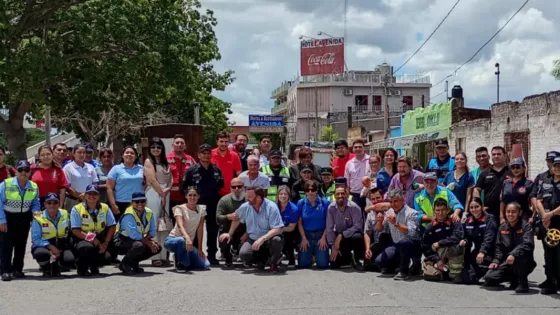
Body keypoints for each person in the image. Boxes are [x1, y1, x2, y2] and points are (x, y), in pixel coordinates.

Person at [219, 186, 285, 272]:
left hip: (268, 238)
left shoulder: (271, 207)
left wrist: (262, 239)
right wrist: (229, 234)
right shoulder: (246, 206)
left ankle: (274, 262)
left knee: (277, 240)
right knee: (243, 254)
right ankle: (262, 261)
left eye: (250, 197)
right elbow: (236, 218)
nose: (247, 199)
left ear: (258, 197)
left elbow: (278, 229)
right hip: (253, 238)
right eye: (246, 196)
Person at [182, 143, 224, 266]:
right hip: (197, 205)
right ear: (199, 155)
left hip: (213, 204)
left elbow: (220, 185)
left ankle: (212, 255)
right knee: (194, 230)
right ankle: (194, 255)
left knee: (212, 231)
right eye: (203, 153)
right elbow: (184, 187)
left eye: (208, 153)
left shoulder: (216, 170)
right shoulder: (191, 170)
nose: (206, 155)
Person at [0, 161, 41, 281]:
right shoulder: (6, 184)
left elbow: (35, 203)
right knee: (6, 245)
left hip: (24, 217)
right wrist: (2, 220)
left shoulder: (33, 186)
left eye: (26, 170)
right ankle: (5, 270)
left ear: (30, 172)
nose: (23, 172)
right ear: (16, 171)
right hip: (8, 217)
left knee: (21, 245)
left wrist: (35, 212)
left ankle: (17, 269)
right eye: (20, 169)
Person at [484, 202, 536, 294]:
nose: (510, 214)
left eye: (513, 212)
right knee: (489, 278)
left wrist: (513, 254)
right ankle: (513, 278)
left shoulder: (526, 226)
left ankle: (522, 282)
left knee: (520, 255)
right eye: (508, 212)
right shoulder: (502, 228)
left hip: (523, 261)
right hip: (507, 261)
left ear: (519, 213)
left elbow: (527, 244)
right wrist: (496, 261)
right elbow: (499, 247)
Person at [70, 185, 116, 276]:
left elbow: (112, 226)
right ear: (85, 195)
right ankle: (82, 267)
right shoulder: (77, 209)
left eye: (95, 194)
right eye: (89, 193)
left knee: (108, 256)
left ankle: (94, 265)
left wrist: (106, 243)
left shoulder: (105, 207)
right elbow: (75, 230)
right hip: (83, 237)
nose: (92, 196)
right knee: (86, 248)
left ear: (99, 196)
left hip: (100, 236)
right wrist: (93, 239)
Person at [373, 189, 419, 280]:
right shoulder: (389, 212)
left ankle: (404, 272)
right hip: (396, 244)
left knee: (404, 242)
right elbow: (379, 229)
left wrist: (395, 224)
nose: (393, 204)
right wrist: (379, 221)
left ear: (402, 199)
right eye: (391, 202)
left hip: (412, 244)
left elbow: (411, 231)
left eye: (396, 201)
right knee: (379, 262)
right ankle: (395, 266)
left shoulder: (412, 213)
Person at [114, 192, 161, 274]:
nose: (140, 204)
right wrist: (148, 243)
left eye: (142, 201)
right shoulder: (129, 214)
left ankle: (133, 262)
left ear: (146, 202)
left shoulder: (149, 212)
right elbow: (134, 235)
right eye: (137, 202)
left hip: (138, 239)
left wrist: (150, 242)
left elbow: (152, 230)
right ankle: (124, 264)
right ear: (132, 203)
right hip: (121, 241)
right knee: (139, 246)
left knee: (157, 247)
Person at [165, 187, 209, 272]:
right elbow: (180, 225)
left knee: (205, 265)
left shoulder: (201, 209)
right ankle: (180, 261)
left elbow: (200, 229)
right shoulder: (179, 208)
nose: (192, 197)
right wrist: (187, 238)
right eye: (190, 195)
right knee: (181, 240)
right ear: (186, 196)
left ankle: (183, 259)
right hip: (173, 241)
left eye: (195, 195)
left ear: (198, 196)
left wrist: (200, 249)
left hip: (188, 245)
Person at [144, 137, 173, 267]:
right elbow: (151, 180)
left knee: (164, 224)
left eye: (158, 147)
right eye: (153, 147)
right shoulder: (148, 161)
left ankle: (164, 255)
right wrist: (161, 193)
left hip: (165, 193)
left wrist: (168, 189)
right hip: (153, 193)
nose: (156, 149)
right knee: (154, 224)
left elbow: (171, 179)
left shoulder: (165, 162)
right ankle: (155, 256)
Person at [31, 193, 74, 277]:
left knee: (70, 259)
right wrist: (51, 247)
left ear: (59, 204)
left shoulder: (65, 214)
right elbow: (36, 239)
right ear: (45, 204)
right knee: (40, 253)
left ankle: (57, 266)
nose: (52, 205)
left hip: (61, 242)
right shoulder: (38, 217)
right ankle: (46, 267)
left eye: (55, 202)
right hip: (44, 245)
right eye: (49, 202)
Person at [422, 199, 465, 282]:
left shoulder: (454, 222)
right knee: (431, 276)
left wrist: (439, 243)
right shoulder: (430, 227)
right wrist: (437, 260)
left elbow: (457, 237)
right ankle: (442, 271)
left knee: (458, 246)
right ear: (434, 211)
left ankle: (454, 273)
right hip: (437, 255)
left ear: (447, 210)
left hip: (452, 252)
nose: (440, 213)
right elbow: (426, 247)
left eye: (443, 210)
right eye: (438, 210)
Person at [535, 156, 560, 295]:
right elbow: (539, 200)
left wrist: (550, 215)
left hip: (558, 221)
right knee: (548, 254)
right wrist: (544, 215)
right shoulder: (545, 181)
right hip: (546, 222)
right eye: (555, 165)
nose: (557, 168)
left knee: (558, 254)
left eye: (559, 165)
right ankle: (551, 282)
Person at [459, 197, 498, 285]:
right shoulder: (468, 221)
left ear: (482, 206)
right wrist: (465, 241)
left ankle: (490, 271)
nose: (474, 209)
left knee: (490, 280)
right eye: (471, 207)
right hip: (477, 252)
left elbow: (489, 238)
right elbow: (467, 237)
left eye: (477, 207)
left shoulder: (490, 219)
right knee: (467, 278)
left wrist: (482, 252)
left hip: (491, 252)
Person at [326, 187, 364, 270]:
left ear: (347, 194)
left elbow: (358, 226)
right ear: (334, 196)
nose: (340, 196)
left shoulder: (354, 207)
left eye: (342, 193)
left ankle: (358, 260)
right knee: (334, 265)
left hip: (351, 237)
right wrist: (334, 247)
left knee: (358, 237)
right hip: (338, 241)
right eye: (338, 194)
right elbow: (329, 228)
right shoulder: (331, 208)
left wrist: (342, 234)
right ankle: (349, 258)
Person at [297, 181, 330, 269]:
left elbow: (329, 222)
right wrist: (303, 238)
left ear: (317, 191)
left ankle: (318, 255)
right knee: (303, 264)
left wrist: (324, 238)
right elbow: (299, 223)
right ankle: (310, 256)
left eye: (313, 189)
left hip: (320, 234)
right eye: (307, 190)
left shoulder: (325, 203)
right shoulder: (301, 203)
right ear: (305, 191)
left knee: (323, 265)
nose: (310, 192)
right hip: (306, 234)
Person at [107, 146, 144, 221]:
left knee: (138, 227)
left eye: (132, 153)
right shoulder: (116, 169)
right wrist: (113, 205)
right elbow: (109, 188)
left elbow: (147, 183)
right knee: (122, 229)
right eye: (127, 152)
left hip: (138, 203)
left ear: (136, 156)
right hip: (121, 204)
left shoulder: (141, 168)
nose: (129, 154)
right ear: (123, 155)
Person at [216, 178, 247, 267]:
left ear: (243, 187)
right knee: (224, 242)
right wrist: (228, 217)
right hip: (227, 230)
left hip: (244, 231)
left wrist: (247, 233)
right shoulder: (224, 200)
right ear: (230, 188)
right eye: (234, 187)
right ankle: (228, 257)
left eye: (239, 186)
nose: (236, 189)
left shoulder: (248, 200)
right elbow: (218, 218)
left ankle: (246, 257)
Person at [474, 146, 511, 218]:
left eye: (499, 154)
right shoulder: (485, 173)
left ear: (505, 156)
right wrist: (480, 206)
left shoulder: (511, 172)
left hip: (509, 213)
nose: (496, 156)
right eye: (494, 154)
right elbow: (476, 190)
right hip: (489, 213)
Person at [63, 144, 99, 211]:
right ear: (73, 154)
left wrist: (87, 195)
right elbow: (67, 186)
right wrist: (79, 195)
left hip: (89, 200)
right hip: (73, 200)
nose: (82, 155)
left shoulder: (90, 167)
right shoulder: (67, 167)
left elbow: (95, 182)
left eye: (84, 152)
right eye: (79, 152)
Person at [166, 134, 196, 211]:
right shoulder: (166, 159)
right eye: (177, 143)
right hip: (169, 197)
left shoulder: (190, 159)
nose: (179, 145)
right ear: (172, 145)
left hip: (186, 197)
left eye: (182, 143)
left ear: (185, 146)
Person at [500, 157, 533, 223]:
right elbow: (503, 201)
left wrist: (532, 217)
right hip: (509, 217)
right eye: (513, 167)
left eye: (518, 167)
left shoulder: (529, 183)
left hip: (524, 217)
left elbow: (534, 202)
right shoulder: (506, 182)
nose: (515, 169)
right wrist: (501, 217)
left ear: (524, 168)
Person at [363, 188, 388, 271]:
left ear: (383, 197)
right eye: (373, 199)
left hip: (389, 243)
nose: (376, 201)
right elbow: (367, 233)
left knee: (384, 237)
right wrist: (367, 249)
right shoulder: (371, 214)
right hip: (377, 244)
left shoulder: (390, 211)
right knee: (367, 264)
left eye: (378, 198)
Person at [212, 131, 242, 197]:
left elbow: (239, 175)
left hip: (229, 193)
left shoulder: (234, 156)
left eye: (226, 142)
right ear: (217, 142)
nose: (224, 144)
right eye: (221, 141)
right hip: (213, 192)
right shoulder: (210, 154)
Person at [344, 139, 370, 211]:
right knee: (355, 217)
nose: (358, 149)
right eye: (355, 147)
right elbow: (347, 182)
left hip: (368, 194)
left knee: (368, 216)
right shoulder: (349, 163)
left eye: (360, 147)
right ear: (352, 149)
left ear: (364, 148)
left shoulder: (370, 160)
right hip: (354, 195)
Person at [277, 186, 298, 266]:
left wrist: (279, 230)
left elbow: (291, 228)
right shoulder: (273, 207)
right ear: (278, 195)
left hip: (288, 231)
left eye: (285, 194)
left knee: (289, 236)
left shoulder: (294, 209)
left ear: (289, 195)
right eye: (281, 194)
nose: (283, 196)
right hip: (274, 230)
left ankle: (291, 258)